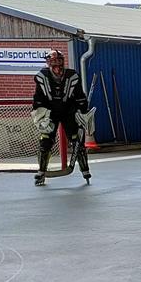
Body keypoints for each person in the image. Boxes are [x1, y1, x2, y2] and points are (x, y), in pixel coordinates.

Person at [31, 49, 91, 186]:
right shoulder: (42, 77)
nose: (58, 69)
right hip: (50, 112)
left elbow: (80, 96)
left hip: (69, 111)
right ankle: (41, 171)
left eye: (60, 64)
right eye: (54, 65)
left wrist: (83, 111)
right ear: (49, 64)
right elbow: (38, 99)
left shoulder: (72, 76)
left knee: (77, 141)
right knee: (45, 141)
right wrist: (40, 115)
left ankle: (85, 170)